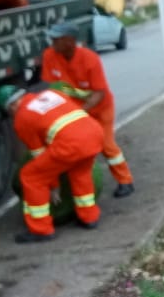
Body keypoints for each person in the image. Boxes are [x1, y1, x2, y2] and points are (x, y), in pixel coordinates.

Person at [0, 85, 104, 243]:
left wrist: (54, 186)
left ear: (11, 106)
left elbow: (39, 155)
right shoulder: (51, 93)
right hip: (94, 133)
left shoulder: (22, 119)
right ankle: (89, 217)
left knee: (31, 176)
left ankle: (41, 229)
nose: (11, 115)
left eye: (9, 112)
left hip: (71, 144)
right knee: (80, 173)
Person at [41, 22, 135, 198]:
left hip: (100, 109)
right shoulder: (49, 56)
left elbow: (99, 93)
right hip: (73, 111)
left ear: (69, 41)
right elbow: (52, 89)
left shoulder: (90, 59)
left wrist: (81, 111)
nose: (51, 42)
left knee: (106, 145)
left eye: (56, 39)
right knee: (72, 149)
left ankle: (125, 181)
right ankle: (77, 190)